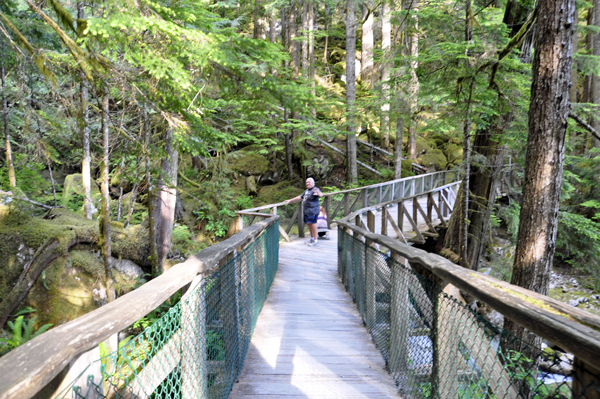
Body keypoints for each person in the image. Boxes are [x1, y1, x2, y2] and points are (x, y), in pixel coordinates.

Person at [284, 178, 323, 246]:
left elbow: (321, 194)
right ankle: (312, 239)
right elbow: (300, 197)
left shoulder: (315, 189)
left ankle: (316, 241)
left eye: (309, 182)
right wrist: (291, 200)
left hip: (313, 211)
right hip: (307, 211)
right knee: (309, 225)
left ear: (313, 183)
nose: (307, 184)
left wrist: (319, 194)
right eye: (306, 182)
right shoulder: (307, 191)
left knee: (314, 225)